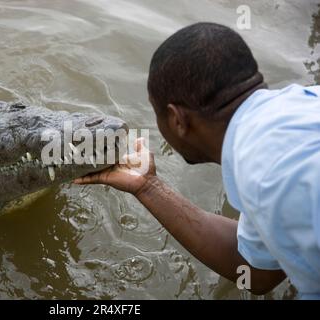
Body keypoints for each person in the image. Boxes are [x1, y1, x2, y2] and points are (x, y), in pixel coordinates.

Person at [74, 22, 320, 299]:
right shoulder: (303, 106)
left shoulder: (265, 176)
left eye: (156, 113)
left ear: (176, 119)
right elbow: (256, 271)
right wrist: (148, 186)